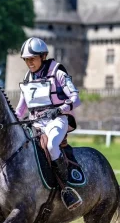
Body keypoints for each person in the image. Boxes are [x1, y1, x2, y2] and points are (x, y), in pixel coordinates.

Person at [15, 37, 82, 210]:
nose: (29, 63)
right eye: (26, 59)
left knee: (52, 146)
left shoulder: (57, 72)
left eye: (33, 59)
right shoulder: (28, 77)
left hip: (57, 120)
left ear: (43, 56)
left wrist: (60, 109)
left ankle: (66, 189)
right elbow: (21, 108)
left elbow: (76, 98)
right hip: (35, 123)